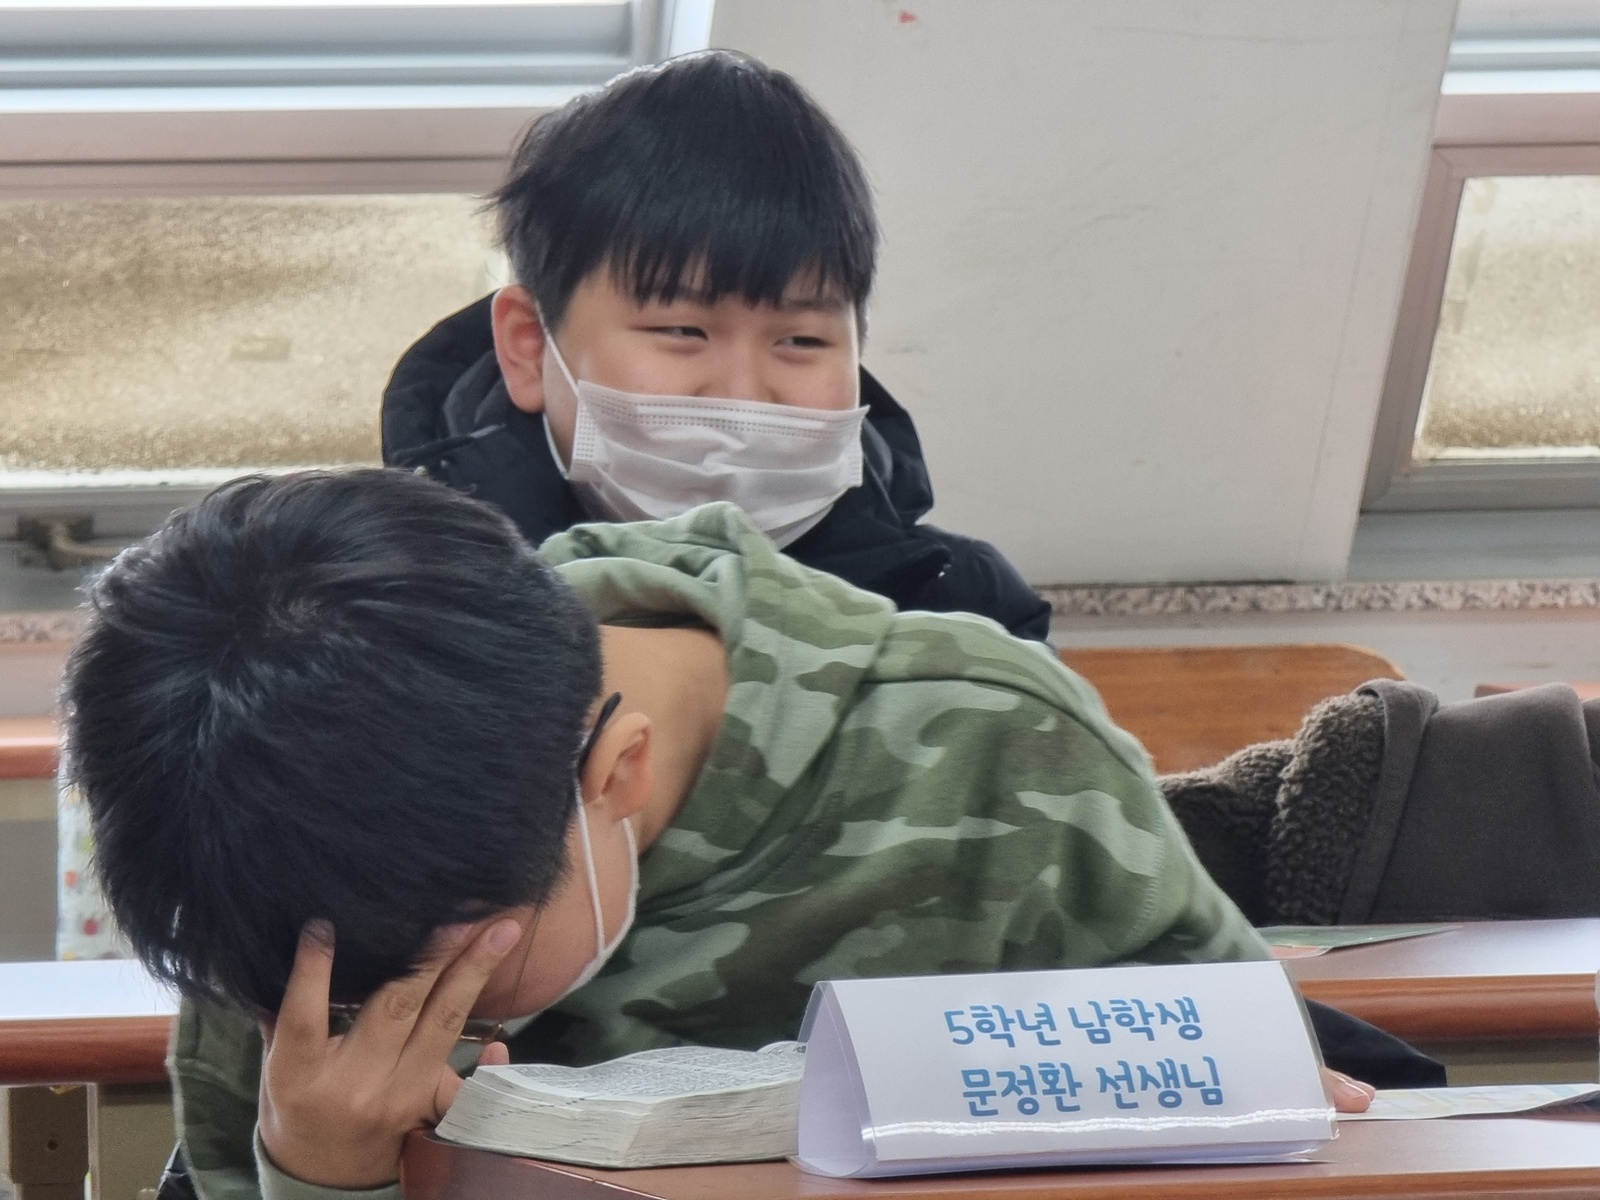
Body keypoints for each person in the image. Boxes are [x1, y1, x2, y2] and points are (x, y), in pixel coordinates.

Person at [62, 470, 1374, 1200]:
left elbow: (1273, 1114)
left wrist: (1228, 1085)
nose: (399, 1013)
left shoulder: (996, 748)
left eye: (458, 969)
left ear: (615, 772)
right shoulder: (265, 842)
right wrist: (319, 1176)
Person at [382, 49, 1053, 641]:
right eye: (683, 331)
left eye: (801, 339)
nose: (743, 393)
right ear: (530, 348)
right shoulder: (401, 609)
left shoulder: (962, 616)